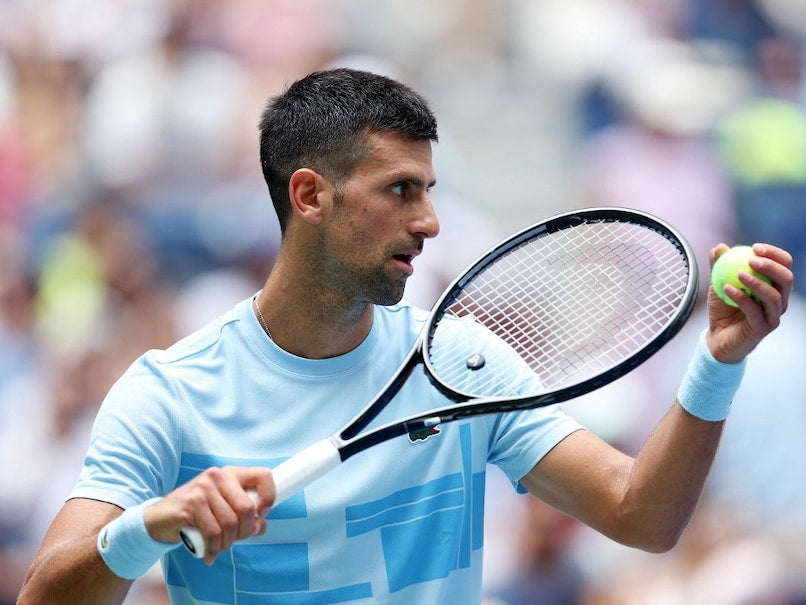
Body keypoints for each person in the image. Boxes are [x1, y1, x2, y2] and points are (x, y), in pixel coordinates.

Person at [18, 68, 794, 604]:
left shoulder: (461, 360)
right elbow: (44, 593)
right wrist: (149, 525)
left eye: (428, 190)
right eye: (400, 190)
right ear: (310, 194)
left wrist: (717, 363)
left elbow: (641, 515)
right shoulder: (169, 393)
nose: (428, 221)